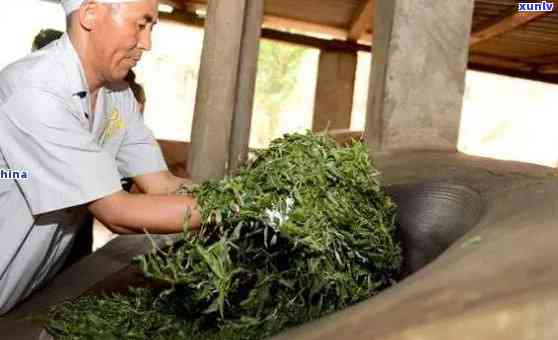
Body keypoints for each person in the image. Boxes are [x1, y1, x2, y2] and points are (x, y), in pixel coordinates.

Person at [0, 0, 201, 315]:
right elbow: (117, 211)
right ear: (90, 14)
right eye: (141, 24)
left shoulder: (118, 96)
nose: (147, 44)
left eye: (151, 28)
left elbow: (161, 184)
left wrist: (244, 194)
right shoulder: (36, 91)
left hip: (22, 286)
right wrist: (235, 208)